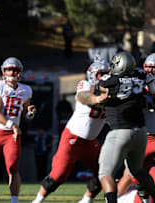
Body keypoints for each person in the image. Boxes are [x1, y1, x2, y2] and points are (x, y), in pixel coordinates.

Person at [32, 56, 110, 203]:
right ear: (93, 75)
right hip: (72, 139)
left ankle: (86, 200)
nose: (104, 77)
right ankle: (37, 200)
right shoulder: (85, 84)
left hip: (91, 142)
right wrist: (98, 99)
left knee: (104, 173)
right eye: (101, 73)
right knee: (58, 176)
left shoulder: (112, 91)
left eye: (107, 73)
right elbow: (83, 97)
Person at [95, 51, 155, 203]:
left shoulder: (108, 80)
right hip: (141, 133)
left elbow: (97, 91)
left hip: (120, 131)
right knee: (138, 171)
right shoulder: (142, 77)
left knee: (105, 174)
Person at [0, 57, 36, 203]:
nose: (11, 72)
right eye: (9, 69)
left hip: (12, 135)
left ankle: (14, 200)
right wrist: (13, 125)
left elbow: (26, 114)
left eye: (14, 69)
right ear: (3, 71)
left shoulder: (26, 90)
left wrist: (30, 113)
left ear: (20, 72)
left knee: (13, 167)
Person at [114, 52, 155, 202]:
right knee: (133, 172)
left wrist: (146, 92)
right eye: (148, 68)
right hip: (147, 136)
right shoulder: (138, 81)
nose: (151, 71)